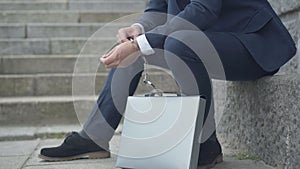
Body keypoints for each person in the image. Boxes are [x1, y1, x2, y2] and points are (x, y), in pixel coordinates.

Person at [39, 0, 297, 168]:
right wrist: (137, 29)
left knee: (179, 42)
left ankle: (205, 143)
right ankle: (94, 138)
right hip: (205, 40)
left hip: (251, 43)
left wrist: (139, 43)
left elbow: (203, 10)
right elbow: (158, 10)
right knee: (133, 51)